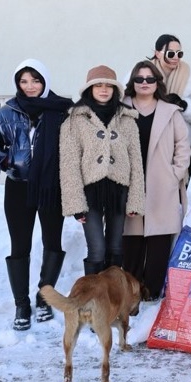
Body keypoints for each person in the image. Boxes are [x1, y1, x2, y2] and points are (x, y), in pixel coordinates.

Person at [0, 60, 73, 331]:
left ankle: (45, 297)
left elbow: (73, 147)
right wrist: (8, 162)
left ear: (44, 82)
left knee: (52, 242)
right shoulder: (5, 113)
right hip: (18, 186)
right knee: (19, 245)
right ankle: (21, 303)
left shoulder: (62, 112)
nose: (30, 86)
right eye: (24, 81)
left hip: (51, 187)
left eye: (35, 80)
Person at [60, 65, 145, 276]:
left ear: (115, 89)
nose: (104, 90)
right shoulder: (74, 121)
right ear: (89, 89)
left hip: (119, 190)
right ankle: (93, 293)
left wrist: (135, 200)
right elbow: (69, 164)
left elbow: (136, 162)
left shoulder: (127, 119)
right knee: (97, 249)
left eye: (109, 85)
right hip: (90, 191)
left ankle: (113, 292)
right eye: (98, 85)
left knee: (116, 247)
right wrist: (76, 204)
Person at [120, 61, 189, 300]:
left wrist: (175, 174)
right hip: (129, 184)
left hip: (161, 184)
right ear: (132, 82)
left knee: (159, 241)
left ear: (157, 82)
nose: (144, 83)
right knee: (131, 240)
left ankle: (152, 292)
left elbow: (183, 145)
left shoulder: (170, 112)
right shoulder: (121, 109)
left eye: (150, 79)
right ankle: (131, 293)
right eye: (139, 79)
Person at [150, 34, 191, 179]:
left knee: (180, 190)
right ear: (157, 53)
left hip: (183, 148)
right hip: (151, 146)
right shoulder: (143, 76)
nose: (176, 57)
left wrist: (184, 105)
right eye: (171, 53)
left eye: (179, 53)